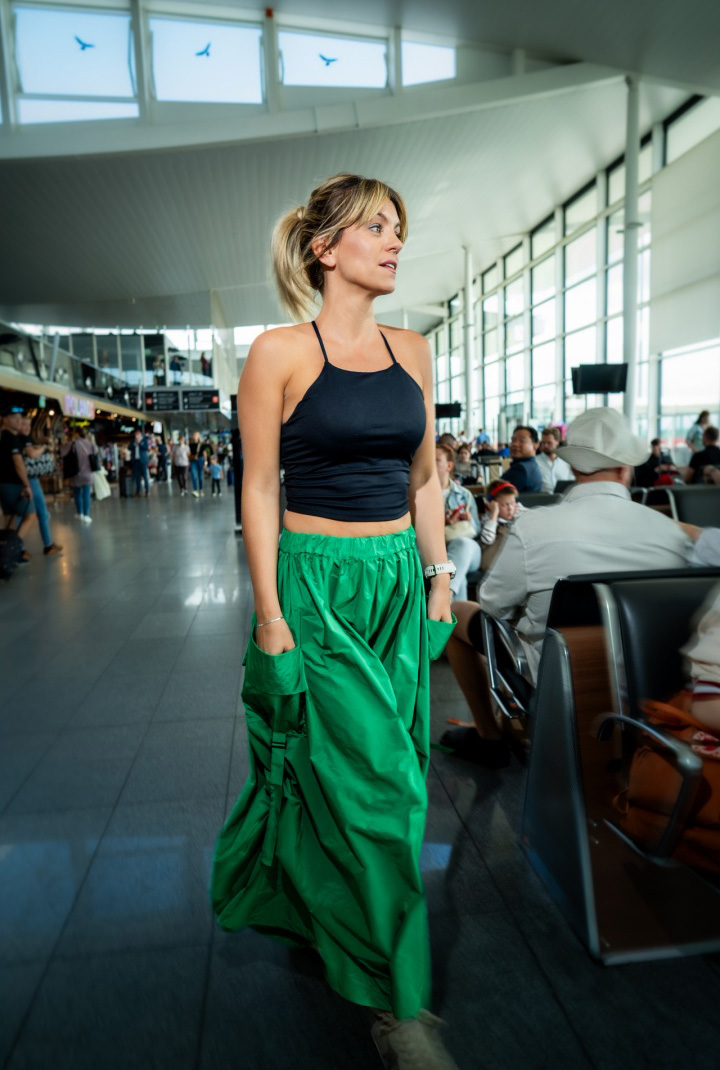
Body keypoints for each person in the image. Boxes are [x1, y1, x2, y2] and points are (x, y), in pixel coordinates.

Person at [210, 174, 459, 1070]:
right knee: (382, 789)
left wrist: (438, 576)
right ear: (325, 249)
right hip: (316, 587)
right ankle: (400, 1008)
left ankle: (335, 917)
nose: (395, 242)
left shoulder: (413, 350)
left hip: (396, 583)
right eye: (377, 227)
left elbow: (423, 478)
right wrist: (269, 611)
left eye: (399, 228)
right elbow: (259, 488)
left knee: (386, 772)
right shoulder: (278, 352)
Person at [441, 407, 695, 767]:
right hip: (651, 689)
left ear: (573, 468)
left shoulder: (535, 528)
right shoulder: (671, 534)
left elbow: (493, 604)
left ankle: (490, 736)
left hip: (558, 684)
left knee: (457, 612)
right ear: (626, 469)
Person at [436, 443, 481, 602]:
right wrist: (442, 523)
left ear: (449, 466)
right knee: (456, 573)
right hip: (436, 553)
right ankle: (448, 600)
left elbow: (476, 530)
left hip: (466, 550)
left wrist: (468, 520)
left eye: (436, 460)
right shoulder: (418, 497)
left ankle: (444, 596)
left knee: (462, 544)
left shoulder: (464, 495)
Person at [18, 416, 62, 557]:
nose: (27, 428)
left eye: (28, 425)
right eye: (24, 425)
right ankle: (47, 545)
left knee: (20, 515)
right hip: (30, 480)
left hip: (19, 480)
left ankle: (18, 548)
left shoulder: (14, 438)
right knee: (40, 512)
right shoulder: (24, 438)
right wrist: (42, 449)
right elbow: (31, 453)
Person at [0, 405, 37, 558]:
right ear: (4, 419)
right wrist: (27, 485)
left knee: (10, 518)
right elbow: (18, 463)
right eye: (14, 417)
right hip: (14, 484)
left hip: (3, 484)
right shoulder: (11, 438)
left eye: (20, 418)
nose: (18, 420)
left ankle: (9, 550)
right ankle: (10, 551)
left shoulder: (2, 436)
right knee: (31, 516)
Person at [478, 480, 525, 573]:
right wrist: (494, 514)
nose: (510, 508)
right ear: (492, 504)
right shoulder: (489, 519)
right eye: (504, 505)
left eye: (512, 503)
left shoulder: (518, 511)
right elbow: (487, 540)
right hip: (499, 562)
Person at [61, 427, 97, 524]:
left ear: (76, 434)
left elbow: (63, 453)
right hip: (88, 473)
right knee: (86, 494)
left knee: (77, 493)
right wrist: (93, 442)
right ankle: (87, 515)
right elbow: (96, 452)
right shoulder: (90, 443)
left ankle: (80, 513)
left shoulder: (72, 444)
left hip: (76, 473)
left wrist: (65, 443)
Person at [504, 425, 543, 493]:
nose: (515, 444)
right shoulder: (532, 465)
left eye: (522, 441)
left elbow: (498, 494)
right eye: (513, 440)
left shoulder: (520, 469)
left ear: (535, 445)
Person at [536, 426, 573, 492]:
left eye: (549, 443)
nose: (545, 446)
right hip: (542, 497)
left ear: (557, 442)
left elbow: (571, 483)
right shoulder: (535, 462)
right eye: (543, 442)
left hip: (563, 496)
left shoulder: (566, 462)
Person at [129, 429, 150, 496]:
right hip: (136, 461)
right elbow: (129, 447)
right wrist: (134, 444)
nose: (136, 436)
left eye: (137, 435)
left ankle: (147, 491)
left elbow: (146, 448)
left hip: (143, 461)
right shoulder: (133, 441)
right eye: (135, 435)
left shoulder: (144, 440)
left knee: (145, 476)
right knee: (137, 477)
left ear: (140, 435)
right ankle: (138, 492)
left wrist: (139, 443)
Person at [188, 431, 205, 497]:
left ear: (198, 437)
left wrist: (205, 463)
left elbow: (204, 454)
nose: (195, 437)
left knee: (200, 476)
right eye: (194, 435)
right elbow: (189, 453)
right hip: (193, 460)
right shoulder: (190, 444)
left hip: (200, 459)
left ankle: (201, 489)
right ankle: (195, 490)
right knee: (194, 475)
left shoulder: (201, 444)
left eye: (196, 435)